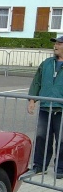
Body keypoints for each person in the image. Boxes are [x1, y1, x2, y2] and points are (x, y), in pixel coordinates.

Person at [27, 35, 63, 179]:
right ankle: (39, 166)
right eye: (55, 44)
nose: (56, 46)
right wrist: (32, 100)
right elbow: (37, 82)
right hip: (45, 107)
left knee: (62, 140)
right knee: (42, 137)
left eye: (59, 44)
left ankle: (60, 169)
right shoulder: (47, 63)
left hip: (61, 109)